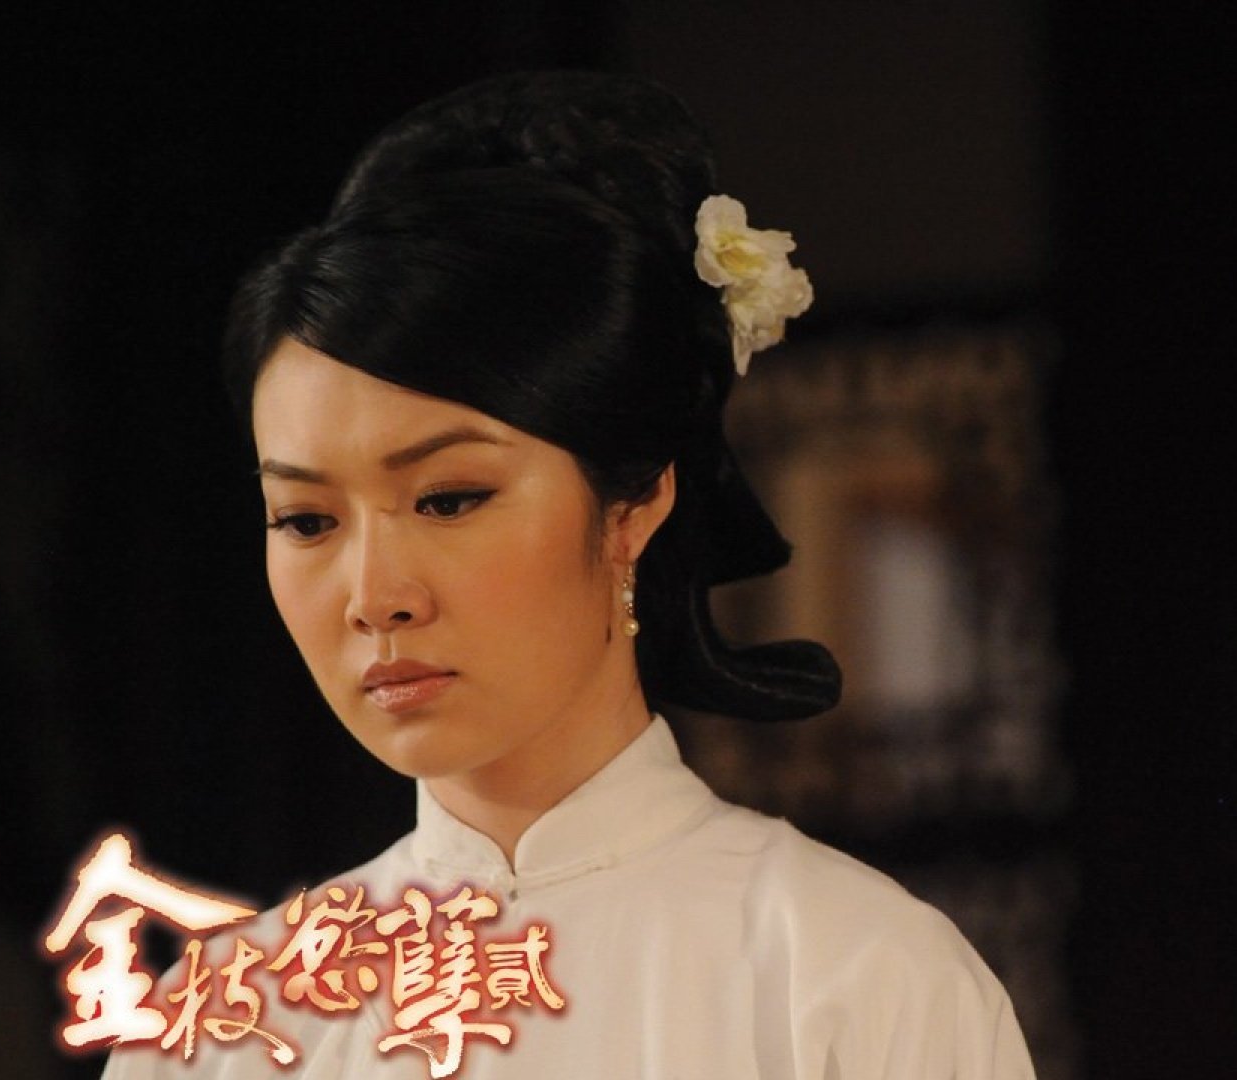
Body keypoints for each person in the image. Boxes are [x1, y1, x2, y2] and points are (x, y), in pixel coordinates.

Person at [98, 71, 1035, 1079]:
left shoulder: (856, 978)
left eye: (449, 499)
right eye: (307, 520)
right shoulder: (216, 1033)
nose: (374, 597)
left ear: (634, 503)